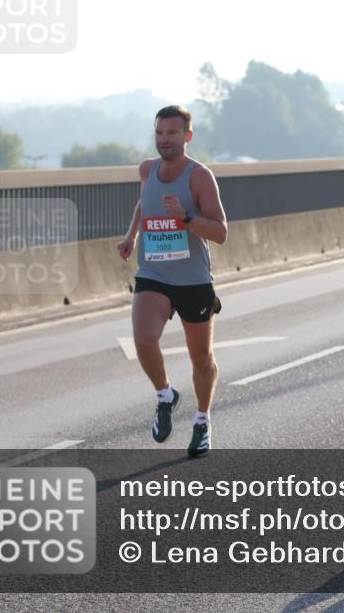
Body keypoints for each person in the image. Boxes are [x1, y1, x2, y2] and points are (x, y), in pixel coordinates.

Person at [117, 105, 228, 458]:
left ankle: (202, 420)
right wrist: (132, 235)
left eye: (172, 133)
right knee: (143, 340)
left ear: (187, 137)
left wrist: (186, 217)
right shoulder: (147, 169)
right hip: (154, 274)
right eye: (159, 133)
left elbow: (221, 232)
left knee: (201, 356)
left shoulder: (199, 177)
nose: (164, 139)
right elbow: (143, 203)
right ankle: (165, 395)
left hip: (193, 279)